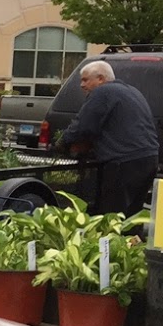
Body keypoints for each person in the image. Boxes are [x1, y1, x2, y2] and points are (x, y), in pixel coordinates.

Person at [60, 59, 159, 216]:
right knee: (132, 215)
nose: (82, 85)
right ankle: (132, 239)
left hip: (124, 162)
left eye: (85, 80)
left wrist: (61, 144)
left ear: (100, 78)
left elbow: (83, 127)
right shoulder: (132, 91)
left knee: (112, 216)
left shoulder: (102, 92)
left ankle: (112, 241)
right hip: (149, 159)